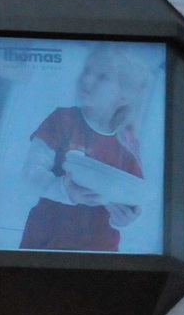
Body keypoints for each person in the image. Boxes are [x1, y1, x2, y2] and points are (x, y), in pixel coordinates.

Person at [19, 43, 154, 253]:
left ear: (124, 97)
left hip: (98, 250)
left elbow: (135, 198)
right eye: (87, 70)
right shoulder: (62, 119)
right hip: (45, 241)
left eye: (102, 77)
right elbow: (30, 174)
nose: (87, 79)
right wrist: (66, 191)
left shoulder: (129, 143)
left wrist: (126, 218)